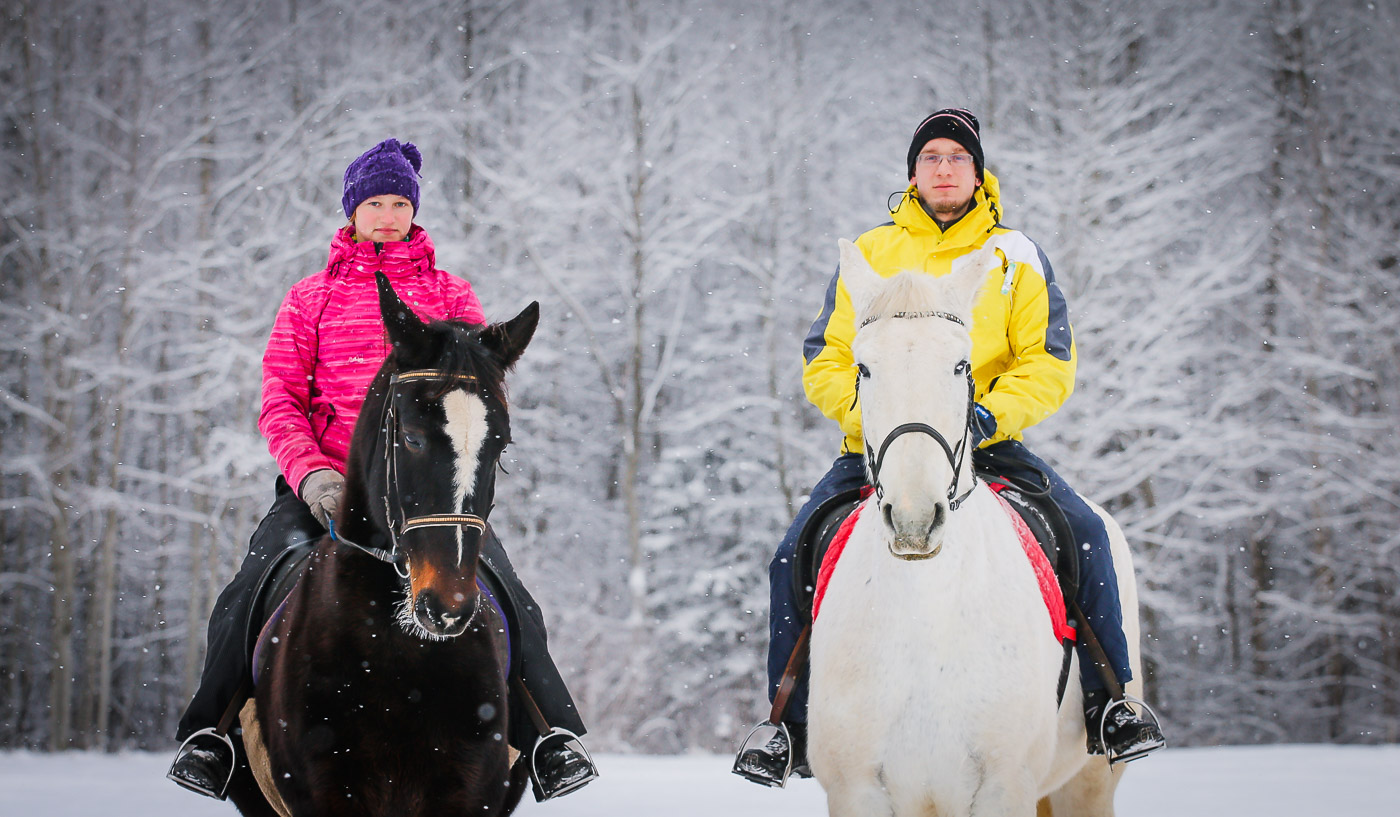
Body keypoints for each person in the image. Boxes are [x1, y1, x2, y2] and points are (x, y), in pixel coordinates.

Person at [734, 109, 1165, 786]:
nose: (943, 168)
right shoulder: (870, 253)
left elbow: (1048, 361)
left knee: (1085, 533)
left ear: (977, 171)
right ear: (912, 172)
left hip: (987, 440)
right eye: (930, 156)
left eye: (956, 157)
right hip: (878, 447)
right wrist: (868, 417)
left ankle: (1111, 703)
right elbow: (826, 355)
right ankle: (785, 726)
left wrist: (988, 416)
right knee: (794, 549)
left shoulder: (1015, 255)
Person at [168, 138, 598, 802]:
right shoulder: (310, 298)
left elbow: (477, 394)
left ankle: (548, 736)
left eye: (401, 202)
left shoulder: (449, 291)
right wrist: (312, 474)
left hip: (426, 496)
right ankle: (212, 732)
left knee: (506, 587)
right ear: (353, 210)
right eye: (376, 202)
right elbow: (280, 396)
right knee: (249, 583)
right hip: (324, 490)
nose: (389, 214)